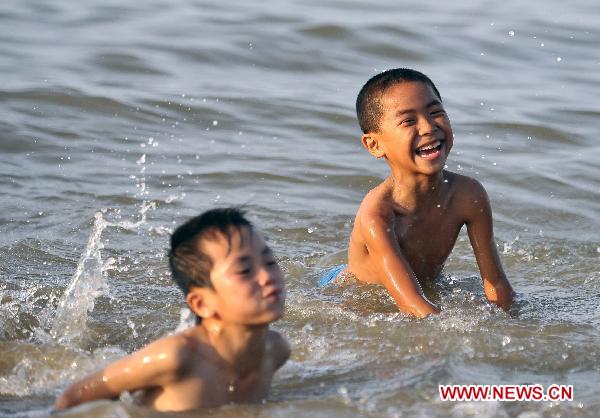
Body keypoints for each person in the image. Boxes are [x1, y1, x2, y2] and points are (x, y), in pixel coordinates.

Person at [321, 68, 513, 318]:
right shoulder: (378, 214)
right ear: (375, 144)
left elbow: (496, 284)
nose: (428, 127)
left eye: (436, 113)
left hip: (421, 288)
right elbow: (412, 305)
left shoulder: (467, 195)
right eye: (408, 121)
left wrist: (516, 326)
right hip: (346, 290)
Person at [55, 208, 290, 412]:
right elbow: (71, 399)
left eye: (270, 262)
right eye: (244, 270)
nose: (267, 277)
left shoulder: (275, 351)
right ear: (201, 304)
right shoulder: (177, 358)